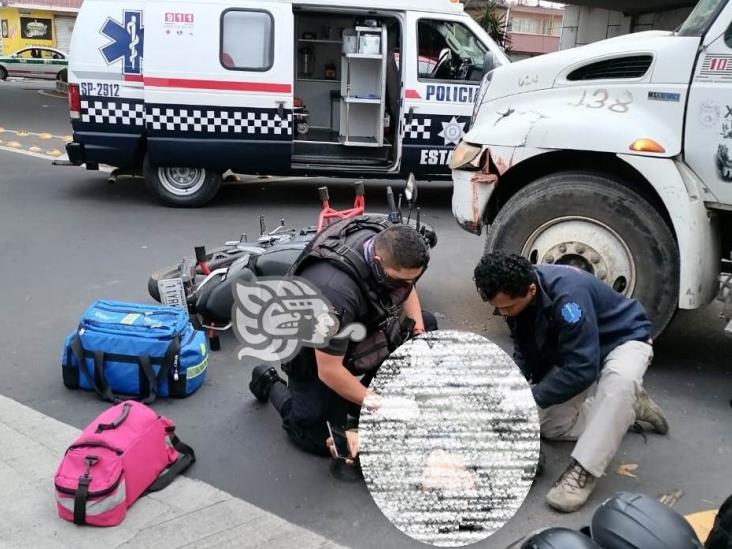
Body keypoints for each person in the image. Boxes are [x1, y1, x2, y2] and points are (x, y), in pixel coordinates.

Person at [472, 251, 669, 512]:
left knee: (619, 381)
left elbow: (582, 369)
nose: (503, 312)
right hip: (577, 349)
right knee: (550, 426)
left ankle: (583, 471)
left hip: (622, 339)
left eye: (507, 307)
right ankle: (626, 410)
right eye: (498, 308)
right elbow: (526, 349)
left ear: (531, 290)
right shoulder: (515, 292)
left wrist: (530, 398)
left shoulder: (567, 298)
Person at [249, 218, 437, 457]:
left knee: (426, 325)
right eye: (399, 280)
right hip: (313, 347)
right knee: (322, 437)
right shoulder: (334, 295)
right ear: (378, 264)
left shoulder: (388, 240)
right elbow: (329, 371)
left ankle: (358, 399)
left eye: (414, 279)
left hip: (359, 322)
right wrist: (384, 405)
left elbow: (406, 288)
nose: (408, 285)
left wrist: (418, 335)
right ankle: (269, 382)